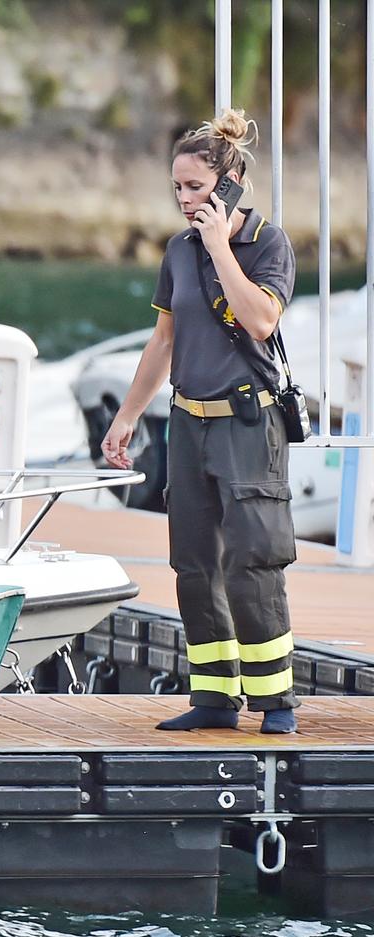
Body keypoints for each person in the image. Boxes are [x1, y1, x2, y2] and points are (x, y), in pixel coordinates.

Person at [102, 108, 297, 734]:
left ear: (231, 179)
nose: (186, 201)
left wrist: (220, 246)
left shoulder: (268, 243)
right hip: (188, 423)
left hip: (248, 423)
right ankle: (214, 697)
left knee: (253, 561)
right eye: (178, 189)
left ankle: (275, 702)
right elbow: (164, 340)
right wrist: (128, 416)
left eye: (198, 188)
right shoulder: (178, 250)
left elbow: (261, 321)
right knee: (193, 563)